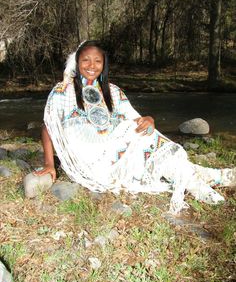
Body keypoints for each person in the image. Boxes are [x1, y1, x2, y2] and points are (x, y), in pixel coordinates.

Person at [35, 40, 235, 214]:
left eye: (97, 61)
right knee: (142, 141)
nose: (91, 65)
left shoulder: (113, 91)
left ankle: (205, 179)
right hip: (90, 163)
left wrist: (148, 119)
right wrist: (49, 165)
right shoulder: (62, 91)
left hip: (114, 152)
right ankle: (209, 178)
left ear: (103, 64)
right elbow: (48, 127)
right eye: (86, 59)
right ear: (77, 62)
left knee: (145, 135)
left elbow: (136, 121)